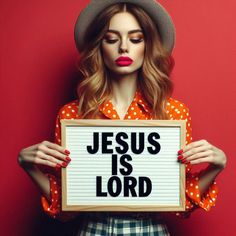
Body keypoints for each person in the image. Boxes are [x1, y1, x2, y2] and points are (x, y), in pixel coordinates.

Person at [18, 0, 227, 235]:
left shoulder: (172, 113)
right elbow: (67, 207)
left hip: (150, 230)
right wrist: (30, 167)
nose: (124, 48)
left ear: (147, 47)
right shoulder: (72, 115)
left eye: (135, 39)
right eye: (111, 39)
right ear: (100, 46)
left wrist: (215, 166)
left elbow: (181, 202)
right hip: (94, 230)